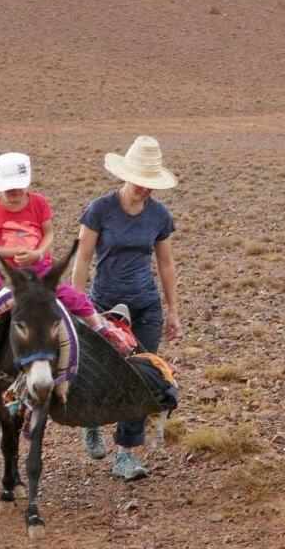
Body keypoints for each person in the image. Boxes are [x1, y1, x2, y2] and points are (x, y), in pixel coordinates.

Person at [0, 153, 131, 353]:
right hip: (8, 271)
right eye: (9, 188)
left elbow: (49, 232)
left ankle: (101, 329)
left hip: (39, 267)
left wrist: (39, 254)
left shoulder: (39, 203)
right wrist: (12, 252)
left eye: (19, 187)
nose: (14, 192)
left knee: (71, 296)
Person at [72, 135, 180, 481]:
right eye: (141, 181)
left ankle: (126, 454)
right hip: (103, 305)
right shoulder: (100, 209)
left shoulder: (159, 215)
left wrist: (173, 309)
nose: (146, 189)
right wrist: (79, 303)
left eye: (151, 183)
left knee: (141, 376)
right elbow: (83, 257)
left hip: (146, 306)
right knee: (99, 372)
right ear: (126, 174)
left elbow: (166, 264)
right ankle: (91, 422)